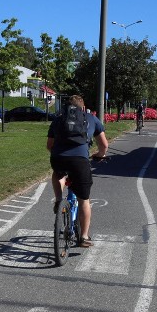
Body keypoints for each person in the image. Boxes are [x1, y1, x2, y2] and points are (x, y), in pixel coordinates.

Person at [47, 95, 108, 248]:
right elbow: (104, 145)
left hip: (58, 158)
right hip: (80, 161)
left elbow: (49, 145)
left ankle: (59, 199)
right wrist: (99, 155)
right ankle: (84, 237)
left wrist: (58, 153)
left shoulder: (58, 119)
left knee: (58, 173)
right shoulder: (91, 119)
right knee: (84, 200)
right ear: (83, 107)